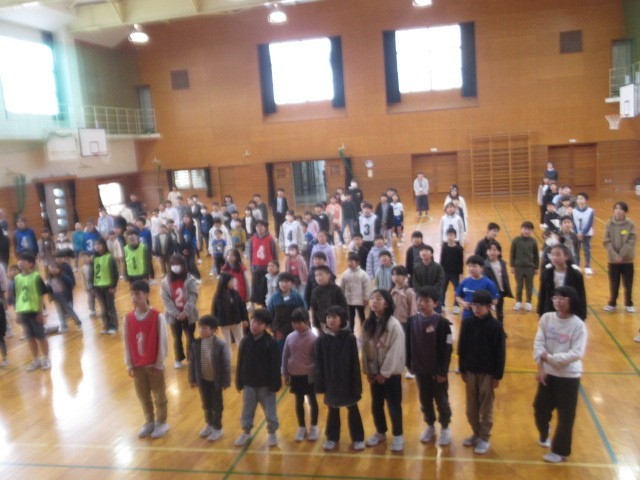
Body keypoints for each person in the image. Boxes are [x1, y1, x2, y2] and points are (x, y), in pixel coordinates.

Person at [533, 286, 587, 463]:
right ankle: (544, 431)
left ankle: (560, 451)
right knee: (539, 408)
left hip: (568, 377)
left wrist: (550, 358)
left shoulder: (578, 325)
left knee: (566, 416)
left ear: (571, 301)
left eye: (562, 298)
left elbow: (576, 353)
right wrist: (541, 368)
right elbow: (538, 344)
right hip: (548, 374)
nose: (558, 301)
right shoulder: (547, 318)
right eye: (555, 297)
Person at [458, 289, 506, 455]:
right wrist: (462, 368)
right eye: (473, 305)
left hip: (487, 372)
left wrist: (497, 375)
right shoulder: (468, 323)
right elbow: (462, 347)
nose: (476, 309)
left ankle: (484, 437)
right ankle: (476, 433)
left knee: (486, 407)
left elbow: (500, 353)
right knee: (471, 408)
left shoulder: (496, 327)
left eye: (479, 306)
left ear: (488, 306)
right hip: (470, 370)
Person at [406, 286, 453, 446]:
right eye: (420, 300)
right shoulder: (412, 321)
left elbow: (447, 349)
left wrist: (442, 371)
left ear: (436, 303)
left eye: (427, 301)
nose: (422, 304)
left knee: (441, 400)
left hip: (437, 371)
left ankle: (445, 427)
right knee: (424, 399)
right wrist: (409, 363)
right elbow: (408, 344)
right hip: (420, 369)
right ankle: (430, 426)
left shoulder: (442, 323)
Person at [315, 305, 365, 451]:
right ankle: (332, 438)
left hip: (347, 382)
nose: (331, 320)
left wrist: (356, 386)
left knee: (353, 409)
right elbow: (319, 364)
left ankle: (358, 438)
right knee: (333, 410)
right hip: (331, 382)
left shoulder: (350, 338)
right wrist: (320, 385)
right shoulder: (321, 340)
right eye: (328, 317)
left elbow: (355, 364)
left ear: (342, 319)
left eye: (334, 317)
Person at [124, 280, 169, 439]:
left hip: (153, 365)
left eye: (137, 294)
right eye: (131, 294)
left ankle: (161, 422)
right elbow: (127, 342)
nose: (133, 298)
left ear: (146, 295)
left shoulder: (157, 316)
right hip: (137, 365)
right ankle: (149, 421)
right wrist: (129, 363)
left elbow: (163, 341)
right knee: (143, 396)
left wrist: (159, 362)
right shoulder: (128, 318)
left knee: (159, 395)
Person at [361, 289, 406, 452]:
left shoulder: (394, 325)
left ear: (386, 304)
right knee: (376, 405)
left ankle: (398, 436)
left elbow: (395, 352)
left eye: (378, 299)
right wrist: (369, 370)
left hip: (390, 375)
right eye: (372, 298)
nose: (374, 301)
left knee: (394, 406)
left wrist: (384, 373)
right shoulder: (367, 324)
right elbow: (365, 348)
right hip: (375, 373)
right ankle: (380, 432)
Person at [234, 308, 281, 448]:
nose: (254, 325)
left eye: (259, 324)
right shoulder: (245, 341)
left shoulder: (270, 343)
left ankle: (272, 433)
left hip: (266, 386)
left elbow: (275, 365)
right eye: (253, 321)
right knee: (247, 411)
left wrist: (275, 384)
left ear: (265, 326)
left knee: (270, 412)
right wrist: (239, 381)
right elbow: (240, 362)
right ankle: (246, 433)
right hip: (249, 385)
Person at [189, 314, 231, 442]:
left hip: (215, 381)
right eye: (200, 328)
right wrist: (192, 378)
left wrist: (226, 381)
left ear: (212, 329)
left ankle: (217, 427)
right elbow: (192, 362)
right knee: (206, 404)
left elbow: (225, 364)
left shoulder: (220, 344)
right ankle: (209, 424)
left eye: (204, 328)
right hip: (203, 380)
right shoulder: (196, 344)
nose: (201, 330)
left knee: (217, 405)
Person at [281, 307, 319, 442]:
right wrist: (285, 373)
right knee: (299, 401)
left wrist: (318, 376)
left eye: (299, 322)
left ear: (307, 322)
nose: (296, 325)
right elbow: (285, 356)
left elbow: (317, 359)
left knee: (312, 400)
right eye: (294, 322)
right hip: (295, 376)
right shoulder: (290, 337)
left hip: (309, 375)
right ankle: (301, 427)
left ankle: (314, 426)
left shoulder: (313, 338)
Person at [161, 254, 199, 369]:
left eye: (178, 264)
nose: (175, 266)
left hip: (189, 314)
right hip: (174, 316)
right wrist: (176, 313)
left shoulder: (190, 279)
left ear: (183, 265)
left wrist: (185, 312)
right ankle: (178, 358)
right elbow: (166, 299)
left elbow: (193, 296)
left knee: (190, 336)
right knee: (177, 338)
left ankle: (191, 357)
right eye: (173, 264)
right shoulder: (165, 282)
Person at [15, 252, 50, 371]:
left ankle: (46, 358)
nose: (20, 262)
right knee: (30, 338)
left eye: (24, 260)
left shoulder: (36, 277)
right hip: (23, 312)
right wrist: (17, 313)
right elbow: (18, 296)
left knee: (41, 337)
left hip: (35, 313)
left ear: (31, 264)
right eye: (20, 260)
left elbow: (41, 296)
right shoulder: (17, 278)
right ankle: (36, 359)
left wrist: (40, 312)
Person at [538, 244, 587, 321]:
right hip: (550, 312)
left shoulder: (576, 274)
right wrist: (540, 313)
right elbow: (542, 295)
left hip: (570, 313)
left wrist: (582, 315)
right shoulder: (547, 273)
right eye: (552, 255)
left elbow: (581, 296)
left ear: (566, 257)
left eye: (558, 255)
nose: (554, 257)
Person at [603, 201, 636, 313]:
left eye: (620, 208)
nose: (618, 210)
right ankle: (612, 303)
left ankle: (629, 304)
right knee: (614, 283)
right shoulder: (609, 224)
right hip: (613, 261)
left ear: (625, 211)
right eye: (616, 208)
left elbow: (631, 240)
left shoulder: (630, 224)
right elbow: (606, 241)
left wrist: (621, 255)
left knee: (628, 284)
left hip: (627, 260)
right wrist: (615, 256)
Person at [267, 272, 307, 352]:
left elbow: (303, 312)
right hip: (279, 331)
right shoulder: (274, 297)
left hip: (295, 330)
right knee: (280, 351)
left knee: (295, 350)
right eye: (281, 282)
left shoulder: (297, 296)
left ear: (291, 283)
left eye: (286, 282)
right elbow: (270, 314)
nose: (284, 284)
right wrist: (273, 328)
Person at [455, 255, 500, 321]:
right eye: (469, 266)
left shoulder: (488, 283)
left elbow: (495, 300)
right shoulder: (465, 282)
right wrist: (463, 303)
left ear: (481, 268)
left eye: (474, 266)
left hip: (482, 317)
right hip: (467, 316)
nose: (471, 268)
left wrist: (483, 306)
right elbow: (458, 296)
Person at [212, 273, 248, 351]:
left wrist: (244, 319)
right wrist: (213, 325)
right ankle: (227, 357)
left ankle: (243, 355)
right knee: (227, 342)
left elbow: (241, 307)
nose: (233, 283)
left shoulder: (235, 293)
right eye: (231, 281)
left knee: (240, 339)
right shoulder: (218, 296)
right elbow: (214, 310)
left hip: (236, 321)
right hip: (224, 323)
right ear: (225, 282)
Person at [246, 220, 278, 306]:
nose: (259, 228)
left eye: (261, 226)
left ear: (265, 227)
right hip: (256, 266)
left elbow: (274, 253)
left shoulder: (270, 238)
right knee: (255, 286)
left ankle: (265, 304)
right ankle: (252, 303)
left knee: (266, 286)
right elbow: (251, 253)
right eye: (257, 226)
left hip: (267, 267)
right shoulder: (252, 239)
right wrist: (251, 266)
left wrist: (276, 266)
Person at [91, 238, 119, 334]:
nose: (97, 246)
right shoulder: (94, 258)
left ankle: (114, 326)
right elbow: (93, 273)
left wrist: (113, 286)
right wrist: (93, 286)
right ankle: (106, 326)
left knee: (110, 307)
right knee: (103, 308)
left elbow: (115, 273)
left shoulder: (109, 257)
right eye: (95, 244)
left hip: (108, 287)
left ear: (103, 245)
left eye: (99, 244)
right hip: (98, 287)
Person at [510, 221, 539, 312]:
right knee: (519, 285)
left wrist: (536, 267)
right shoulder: (516, 240)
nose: (526, 231)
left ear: (531, 231)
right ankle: (518, 302)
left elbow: (536, 255)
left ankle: (528, 302)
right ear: (521, 229)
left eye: (529, 229)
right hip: (518, 267)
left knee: (529, 286)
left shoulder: (533, 241)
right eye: (525, 229)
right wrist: (512, 266)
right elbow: (512, 253)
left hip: (530, 267)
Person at [309, 265, 348, 333]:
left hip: (336, 322)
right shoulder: (315, 291)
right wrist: (316, 324)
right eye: (316, 276)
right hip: (322, 323)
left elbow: (344, 306)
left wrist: (343, 321)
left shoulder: (337, 289)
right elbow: (314, 308)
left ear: (328, 275)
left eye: (320, 275)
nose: (318, 277)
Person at [46, 261, 82, 333]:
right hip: (56, 297)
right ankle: (64, 327)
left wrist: (69, 297)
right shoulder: (49, 279)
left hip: (64, 297)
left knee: (69, 311)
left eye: (54, 268)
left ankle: (78, 322)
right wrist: (50, 297)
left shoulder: (64, 278)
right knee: (60, 312)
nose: (52, 270)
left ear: (59, 269)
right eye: (51, 269)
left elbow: (70, 287)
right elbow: (48, 289)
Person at [483, 241, 513, 325]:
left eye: (495, 250)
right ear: (487, 252)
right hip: (489, 292)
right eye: (490, 250)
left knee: (500, 312)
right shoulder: (485, 265)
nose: (492, 252)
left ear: (499, 252)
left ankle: (500, 328)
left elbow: (504, 278)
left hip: (500, 291)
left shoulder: (502, 263)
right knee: (487, 311)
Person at [340, 252, 371, 331]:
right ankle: (351, 332)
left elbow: (367, 287)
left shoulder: (363, 274)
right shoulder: (345, 274)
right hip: (349, 300)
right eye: (348, 261)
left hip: (360, 300)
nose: (349, 263)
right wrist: (342, 297)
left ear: (357, 262)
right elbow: (342, 286)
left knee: (361, 316)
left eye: (351, 261)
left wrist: (366, 298)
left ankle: (364, 331)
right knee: (350, 317)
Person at [412, 245, 445, 312]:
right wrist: (422, 291)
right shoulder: (416, 267)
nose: (423, 252)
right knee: (421, 315)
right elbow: (415, 282)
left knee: (435, 315)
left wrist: (431, 292)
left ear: (431, 254)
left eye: (426, 250)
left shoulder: (438, 267)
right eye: (421, 251)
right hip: (421, 296)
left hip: (434, 296)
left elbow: (440, 281)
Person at [440, 226, 464, 314]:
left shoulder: (459, 248)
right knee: (443, 290)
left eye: (451, 235)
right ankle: (442, 305)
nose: (450, 237)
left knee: (457, 290)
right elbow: (442, 260)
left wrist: (461, 273)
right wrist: (440, 271)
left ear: (455, 236)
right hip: (445, 273)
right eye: (448, 235)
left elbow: (461, 261)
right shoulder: (444, 247)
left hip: (455, 273)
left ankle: (456, 306)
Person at [572, 192, 594, 275]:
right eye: (578, 199)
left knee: (586, 250)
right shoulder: (574, 211)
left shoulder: (590, 211)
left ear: (586, 200)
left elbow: (590, 223)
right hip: (576, 234)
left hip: (586, 234)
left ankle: (587, 266)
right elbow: (573, 223)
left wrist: (583, 233)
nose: (580, 200)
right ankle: (577, 265)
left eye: (582, 198)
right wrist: (577, 233)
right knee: (576, 250)